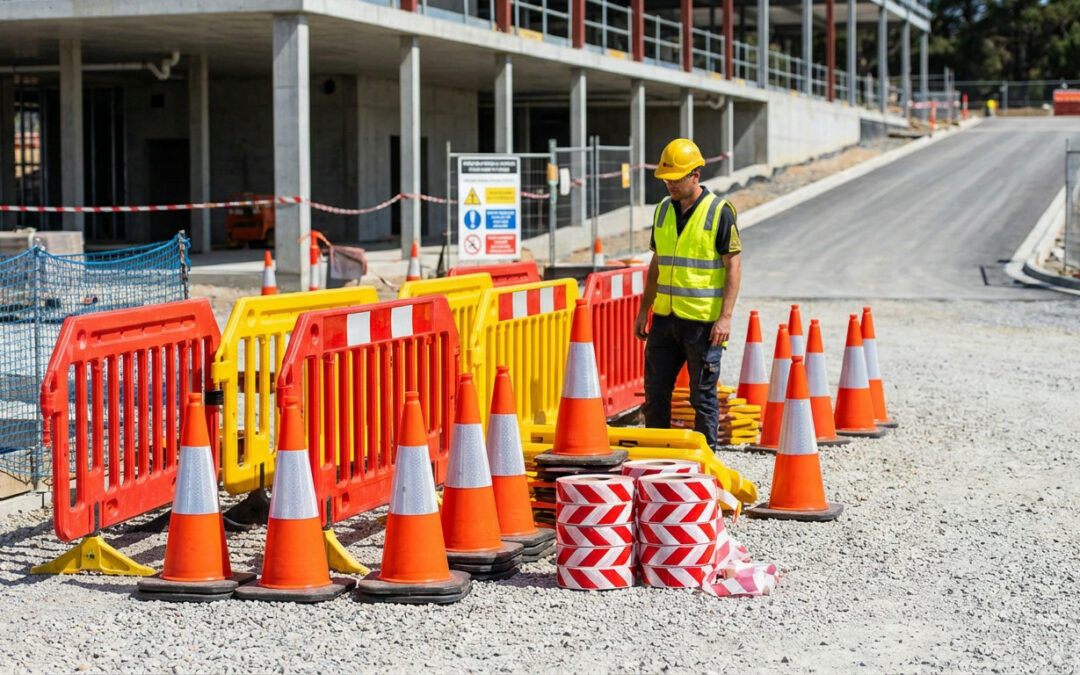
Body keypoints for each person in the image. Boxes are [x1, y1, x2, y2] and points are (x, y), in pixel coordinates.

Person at [633, 138, 742, 451]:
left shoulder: (719, 212)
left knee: (703, 398)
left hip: (703, 324)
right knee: (655, 395)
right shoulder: (663, 212)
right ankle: (655, 460)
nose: (669, 184)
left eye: (676, 178)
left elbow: (733, 267)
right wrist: (644, 310)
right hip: (665, 320)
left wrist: (725, 317)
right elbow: (657, 263)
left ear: (695, 175)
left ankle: (705, 468)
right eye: (666, 179)